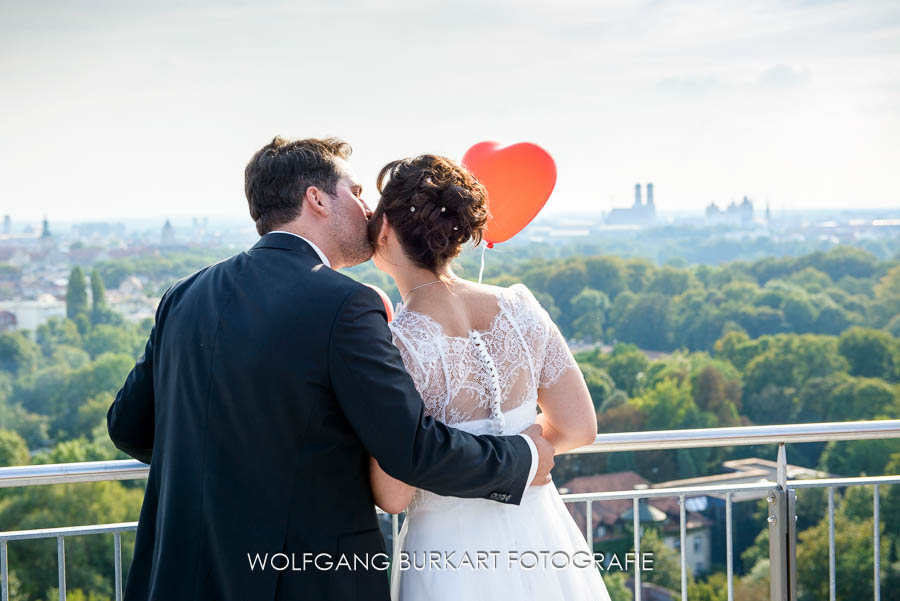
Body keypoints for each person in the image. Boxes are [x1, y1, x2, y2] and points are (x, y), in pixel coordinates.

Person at [106, 137, 554, 601]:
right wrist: (522, 459)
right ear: (316, 199)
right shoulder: (346, 304)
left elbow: (128, 427)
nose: (368, 209)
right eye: (356, 192)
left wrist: (229, 469)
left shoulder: (185, 294)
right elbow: (412, 448)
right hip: (303, 578)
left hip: (183, 575)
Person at [366, 154, 610, 600]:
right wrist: (522, 456)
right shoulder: (519, 307)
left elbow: (393, 495)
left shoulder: (399, 342)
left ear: (384, 230)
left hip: (449, 555)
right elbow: (579, 428)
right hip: (540, 534)